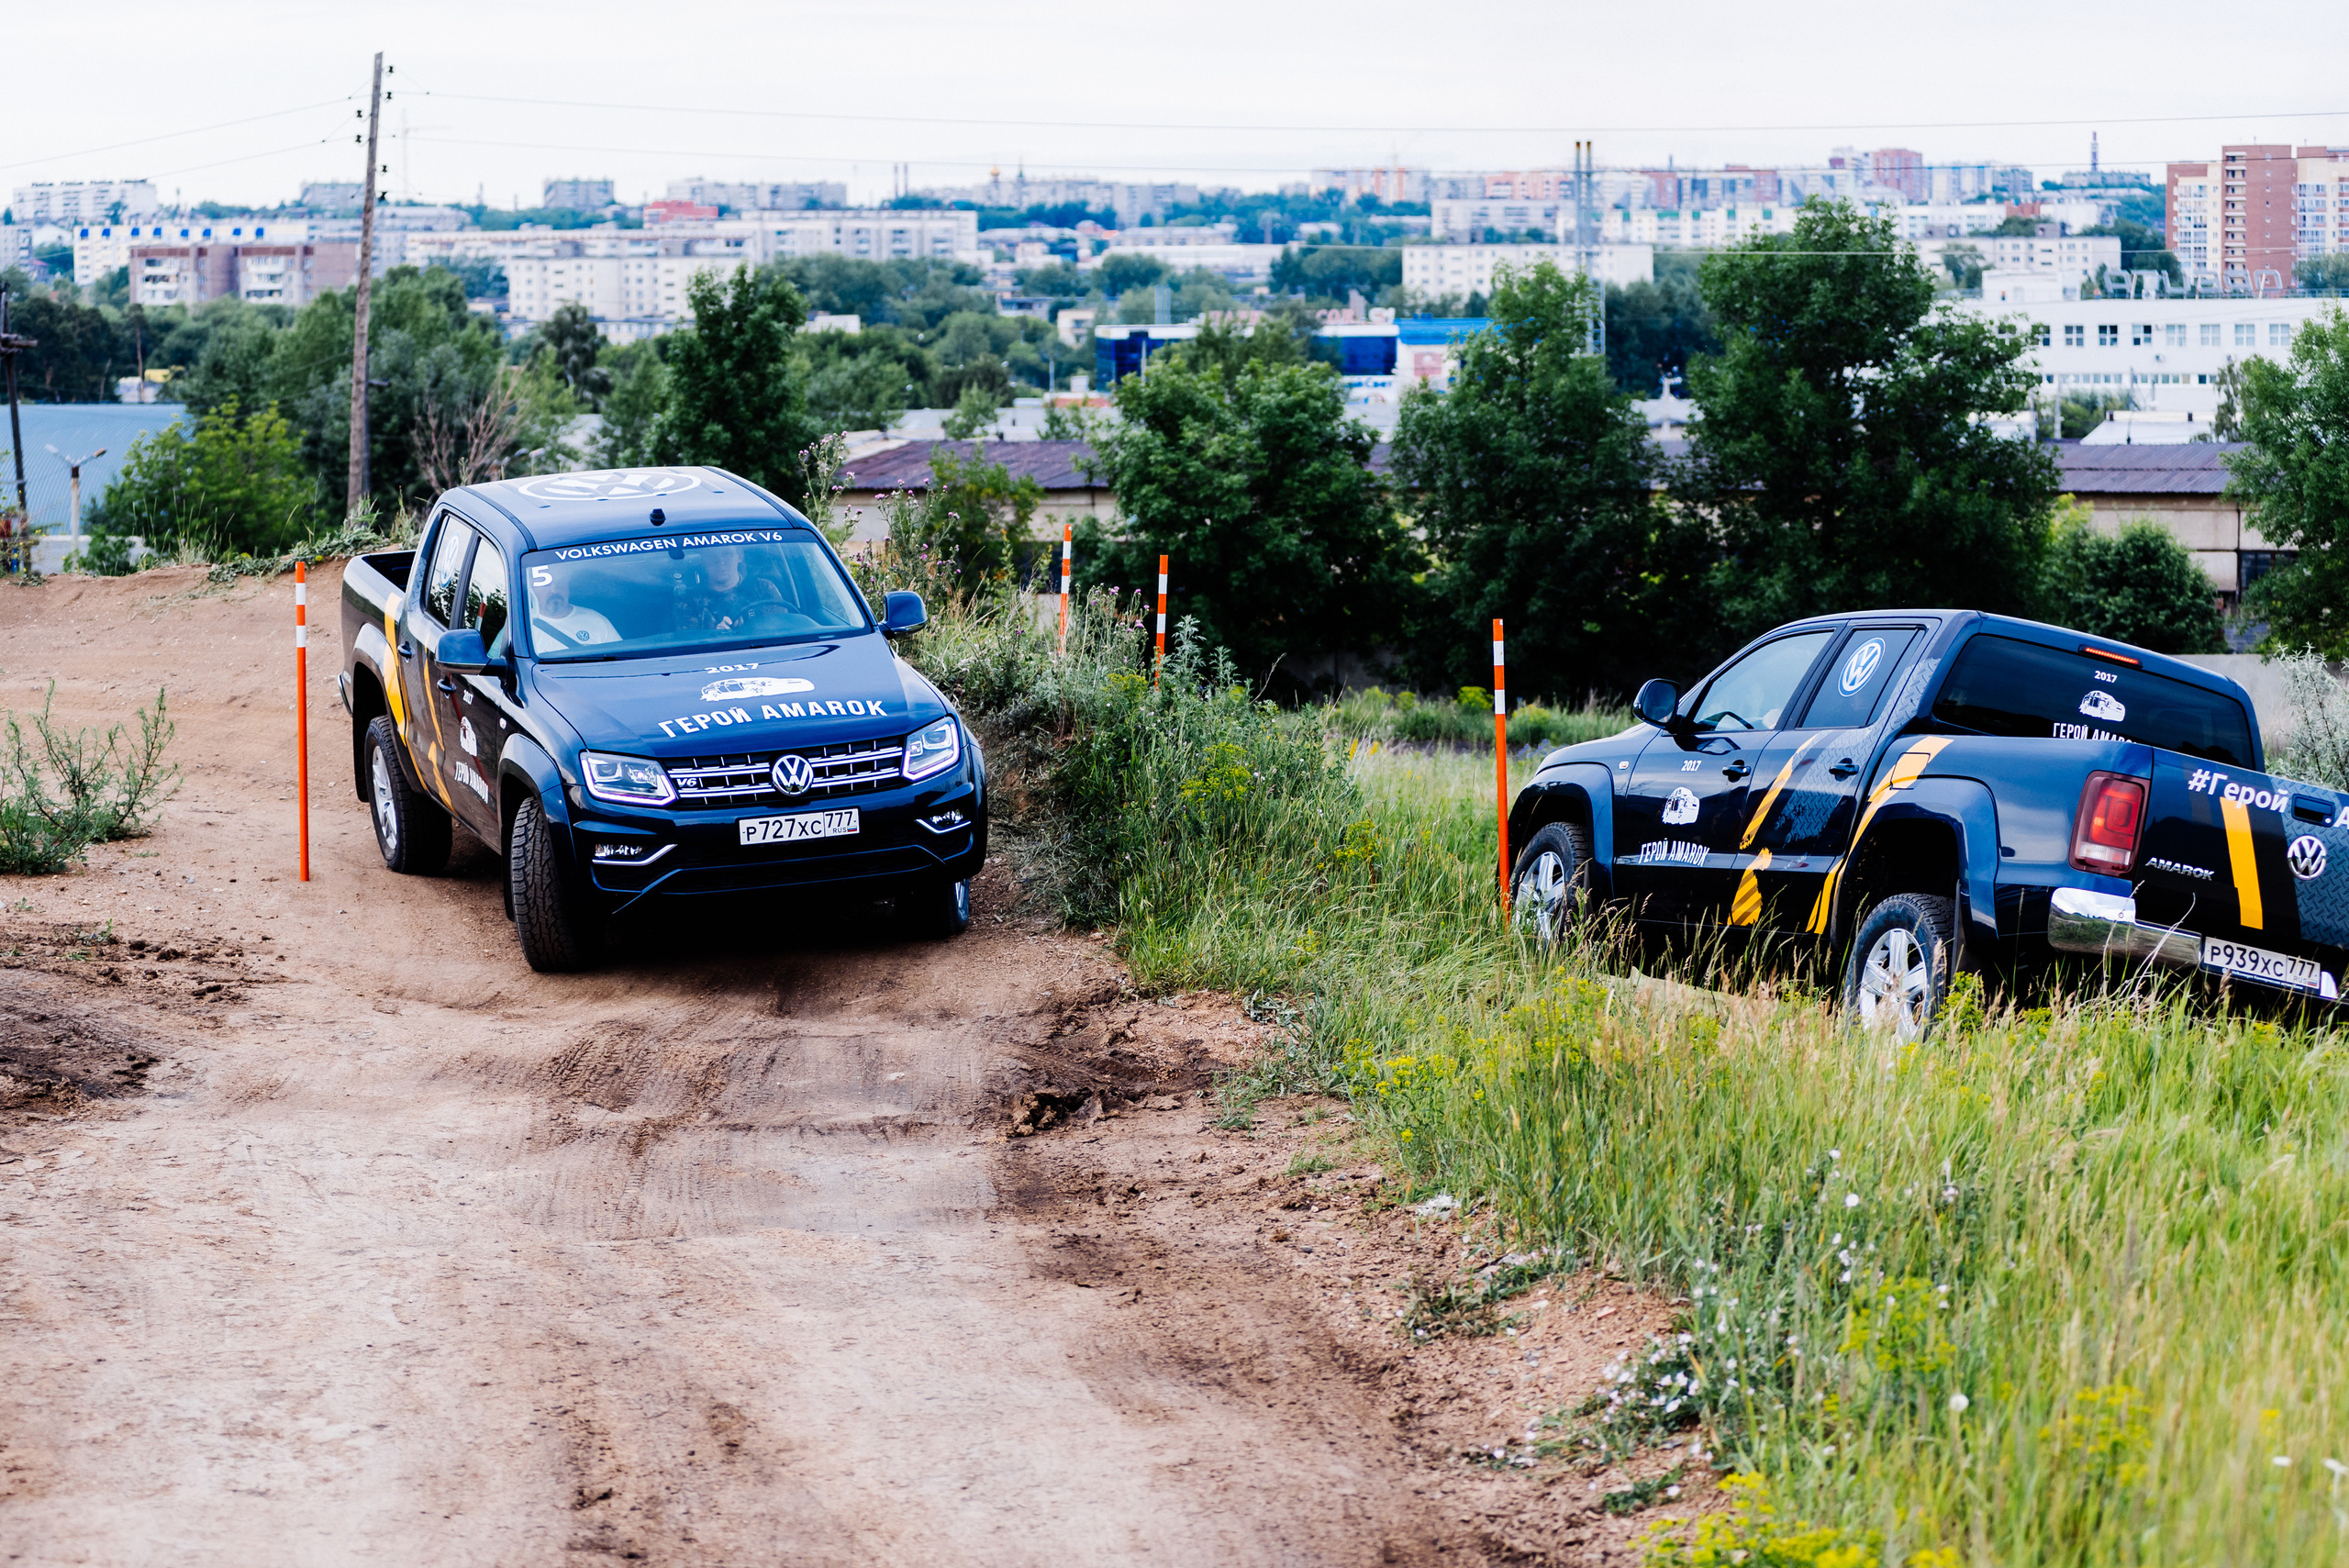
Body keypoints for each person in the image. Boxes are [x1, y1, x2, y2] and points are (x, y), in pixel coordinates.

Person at [680, 544, 785, 634]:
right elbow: (688, 643)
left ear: (740, 556)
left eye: (727, 553)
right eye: (711, 556)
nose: (720, 561)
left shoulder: (763, 588)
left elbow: (783, 628)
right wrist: (717, 636)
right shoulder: (690, 601)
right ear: (703, 561)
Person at [527, 560, 622, 650]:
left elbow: (620, 658)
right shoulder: (524, 628)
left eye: (560, 582)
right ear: (531, 589)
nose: (554, 590)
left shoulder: (596, 621)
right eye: (545, 584)